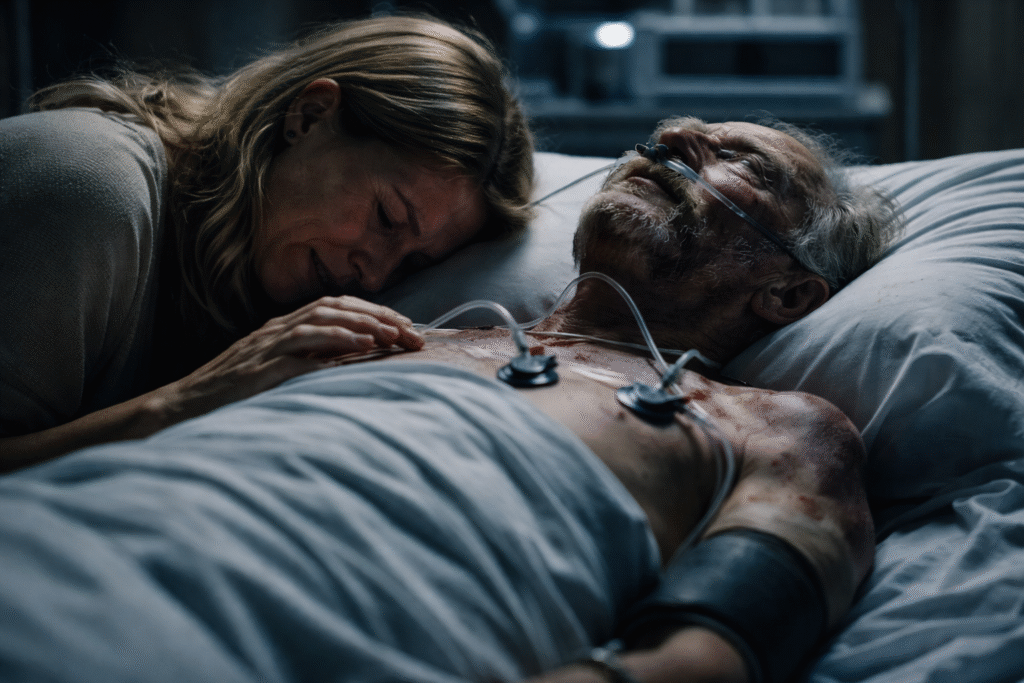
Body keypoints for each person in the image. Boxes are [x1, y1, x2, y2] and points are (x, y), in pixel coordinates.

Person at [0, 116, 900, 683]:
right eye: (674, 132)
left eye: (735, 156)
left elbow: (710, 648)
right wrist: (197, 394)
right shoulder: (365, 331)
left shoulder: (773, 428)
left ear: (788, 295)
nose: (671, 134)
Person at [0, 14, 534, 471]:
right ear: (309, 116)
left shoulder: (242, 288)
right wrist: (184, 403)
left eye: (414, 263)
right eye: (387, 217)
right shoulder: (91, 184)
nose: (374, 278)